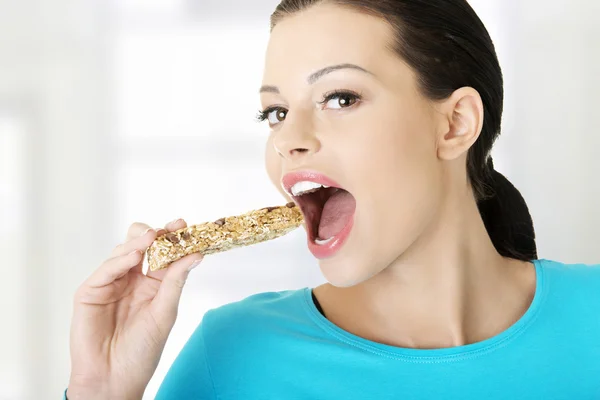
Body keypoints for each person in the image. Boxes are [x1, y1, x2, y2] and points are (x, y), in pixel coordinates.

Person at [64, 1, 600, 399]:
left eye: (340, 97)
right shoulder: (231, 356)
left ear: (455, 124)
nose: (285, 138)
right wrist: (100, 390)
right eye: (274, 112)